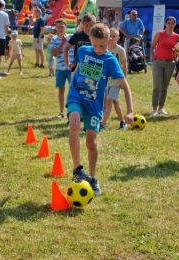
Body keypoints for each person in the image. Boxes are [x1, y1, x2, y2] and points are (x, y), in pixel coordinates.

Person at [66, 23, 133, 195]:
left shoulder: (110, 60)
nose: (98, 49)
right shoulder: (82, 51)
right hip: (77, 97)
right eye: (95, 45)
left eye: (102, 45)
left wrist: (130, 110)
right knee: (74, 124)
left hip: (94, 105)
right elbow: (76, 69)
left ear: (109, 41)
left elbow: (125, 86)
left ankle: (93, 178)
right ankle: (78, 169)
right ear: (89, 40)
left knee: (91, 143)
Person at [150, 16, 179, 116]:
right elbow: (153, 46)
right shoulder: (160, 34)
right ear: (165, 24)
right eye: (168, 23)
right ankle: (154, 109)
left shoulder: (177, 37)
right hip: (158, 62)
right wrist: (153, 58)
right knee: (157, 86)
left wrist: (176, 59)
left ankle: (161, 108)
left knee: (165, 87)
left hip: (170, 63)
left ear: (175, 25)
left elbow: (178, 50)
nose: (170, 25)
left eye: (172, 23)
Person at [100, 27, 127, 131]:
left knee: (109, 102)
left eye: (114, 36)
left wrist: (123, 80)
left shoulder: (120, 50)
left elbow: (124, 65)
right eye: (109, 35)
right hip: (106, 80)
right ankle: (122, 121)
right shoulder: (104, 49)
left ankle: (102, 124)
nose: (111, 37)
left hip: (116, 80)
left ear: (118, 38)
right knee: (113, 102)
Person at [50, 18, 74, 118]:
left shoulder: (72, 37)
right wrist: (62, 43)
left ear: (66, 27)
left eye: (62, 27)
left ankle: (72, 112)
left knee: (73, 90)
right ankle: (61, 112)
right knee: (61, 90)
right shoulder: (54, 39)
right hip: (60, 68)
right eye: (58, 27)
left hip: (71, 68)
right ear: (55, 28)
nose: (60, 29)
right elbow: (54, 54)